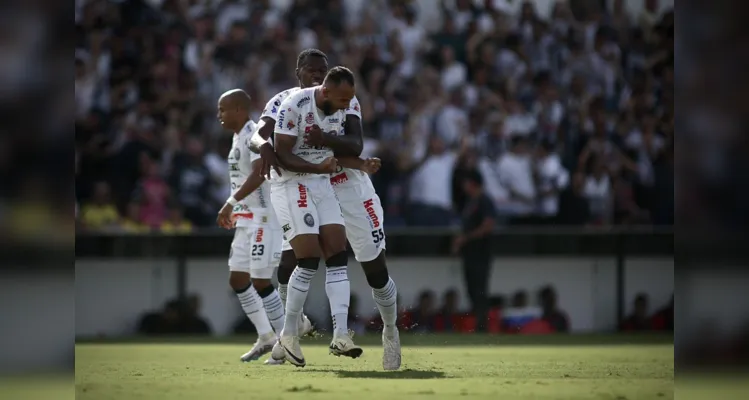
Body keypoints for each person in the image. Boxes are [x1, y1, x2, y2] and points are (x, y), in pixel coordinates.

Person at [250, 49, 401, 370]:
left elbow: (355, 144)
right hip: (308, 184)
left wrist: (327, 140)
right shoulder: (285, 102)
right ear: (298, 72)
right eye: (311, 70)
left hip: (349, 186)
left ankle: (390, 330)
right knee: (293, 258)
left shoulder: (345, 98)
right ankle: (288, 334)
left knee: (375, 270)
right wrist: (264, 146)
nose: (318, 75)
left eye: (323, 70)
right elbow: (260, 134)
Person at [268, 66, 364, 368]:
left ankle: (340, 335)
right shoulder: (294, 105)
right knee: (307, 258)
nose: (347, 105)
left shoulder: (344, 104)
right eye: (343, 99)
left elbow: (353, 142)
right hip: (290, 184)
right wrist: (317, 168)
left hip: (322, 185)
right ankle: (289, 334)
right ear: (325, 91)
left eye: (350, 98)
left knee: (337, 253)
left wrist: (357, 163)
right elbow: (282, 154)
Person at [214, 89, 289, 362]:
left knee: (260, 280)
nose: (218, 115)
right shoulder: (237, 137)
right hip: (245, 220)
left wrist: (231, 202)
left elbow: (260, 173)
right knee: (238, 279)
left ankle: (286, 342)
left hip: (263, 218)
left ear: (238, 110)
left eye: (222, 109)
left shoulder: (254, 134)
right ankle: (266, 336)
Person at [452, 170, 496, 332]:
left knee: (480, 289)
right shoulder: (470, 202)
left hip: (481, 253)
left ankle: (482, 326)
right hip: (469, 253)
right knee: (471, 288)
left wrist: (466, 238)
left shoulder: (485, 201)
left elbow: (488, 225)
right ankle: (478, 324)